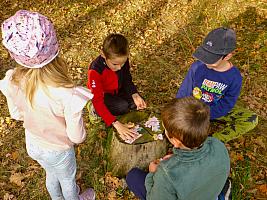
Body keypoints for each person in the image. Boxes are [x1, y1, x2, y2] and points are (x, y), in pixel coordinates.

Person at [0, 10, 95, 200]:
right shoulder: (67, 94)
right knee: (67, 181)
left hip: (33, 145)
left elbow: (17, 115)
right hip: (58, 150)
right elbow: (76, 137)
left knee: (51, 174)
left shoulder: (13, 81)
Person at [126, 97, 230, 200]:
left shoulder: (167, 173)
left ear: (175, 141)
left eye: (165, 129)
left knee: (133, 177)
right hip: (210, 190)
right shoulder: (218, 145)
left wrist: (153, 174)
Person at [176, 27, 258, 142]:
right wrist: (184, 112)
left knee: (252, 119)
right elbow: (184, 92)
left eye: (211, 58)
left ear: (228, 56)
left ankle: (213, 140)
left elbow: (228, 102)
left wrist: (207, 115)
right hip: (193, 108)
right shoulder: (197, 67)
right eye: (204, 54)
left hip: (215, 109)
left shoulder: (234, 77)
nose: (205, 61)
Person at [87, 33, 146, 140]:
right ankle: (94, 110)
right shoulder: (95, 71)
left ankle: (123, 102)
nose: (119, 68)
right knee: (122, 107)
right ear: (104, 55)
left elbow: (127, 78)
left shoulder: (121, 60)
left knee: (136, 103)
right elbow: (98, 100)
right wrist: (116, 123)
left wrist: (134, 93)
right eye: (115, 64)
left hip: (118, 89)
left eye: (122, 64)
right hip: (104, 95)